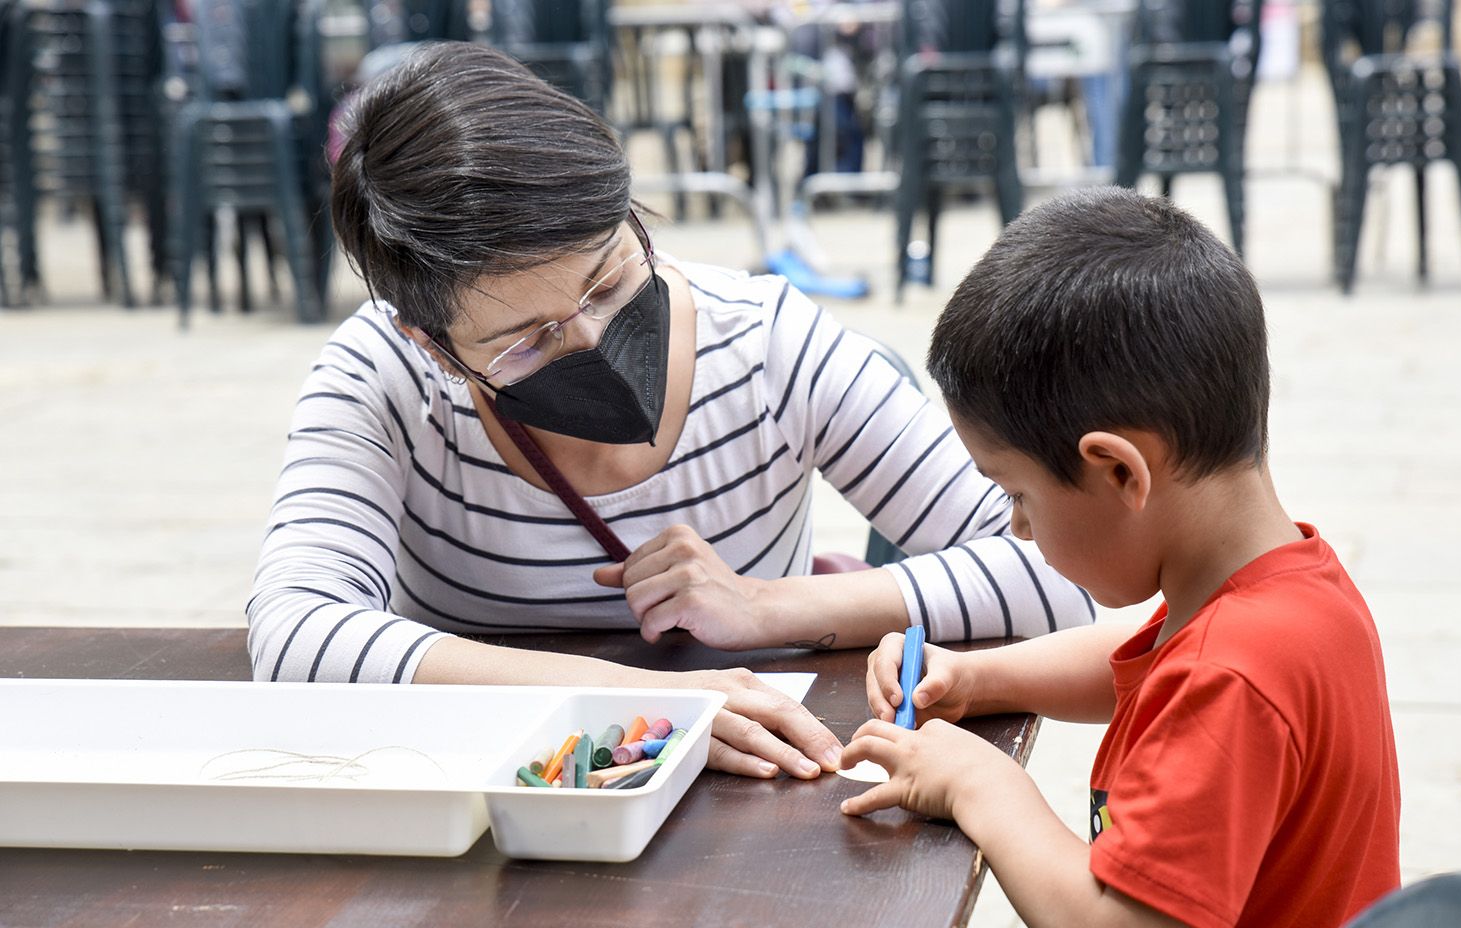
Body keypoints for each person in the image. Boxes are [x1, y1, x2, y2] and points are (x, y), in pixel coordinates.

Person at [247, 42, 1093, 782]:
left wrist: (767, 608)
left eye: (608, 277)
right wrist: (640, 700)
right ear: (434, 345)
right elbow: (296, 635)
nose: (591, 337)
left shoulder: (764, 345)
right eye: (526, 340)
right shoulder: (385, 378)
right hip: (491, 808)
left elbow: (1057, 573)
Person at [839, 188, 1421, 928]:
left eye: (1019, 494)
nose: (1018, 528)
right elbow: (1137, 658)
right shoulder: (1284, 588)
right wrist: (980, 677)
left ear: (1117, 470)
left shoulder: (1238, 670)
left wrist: (979, 785)